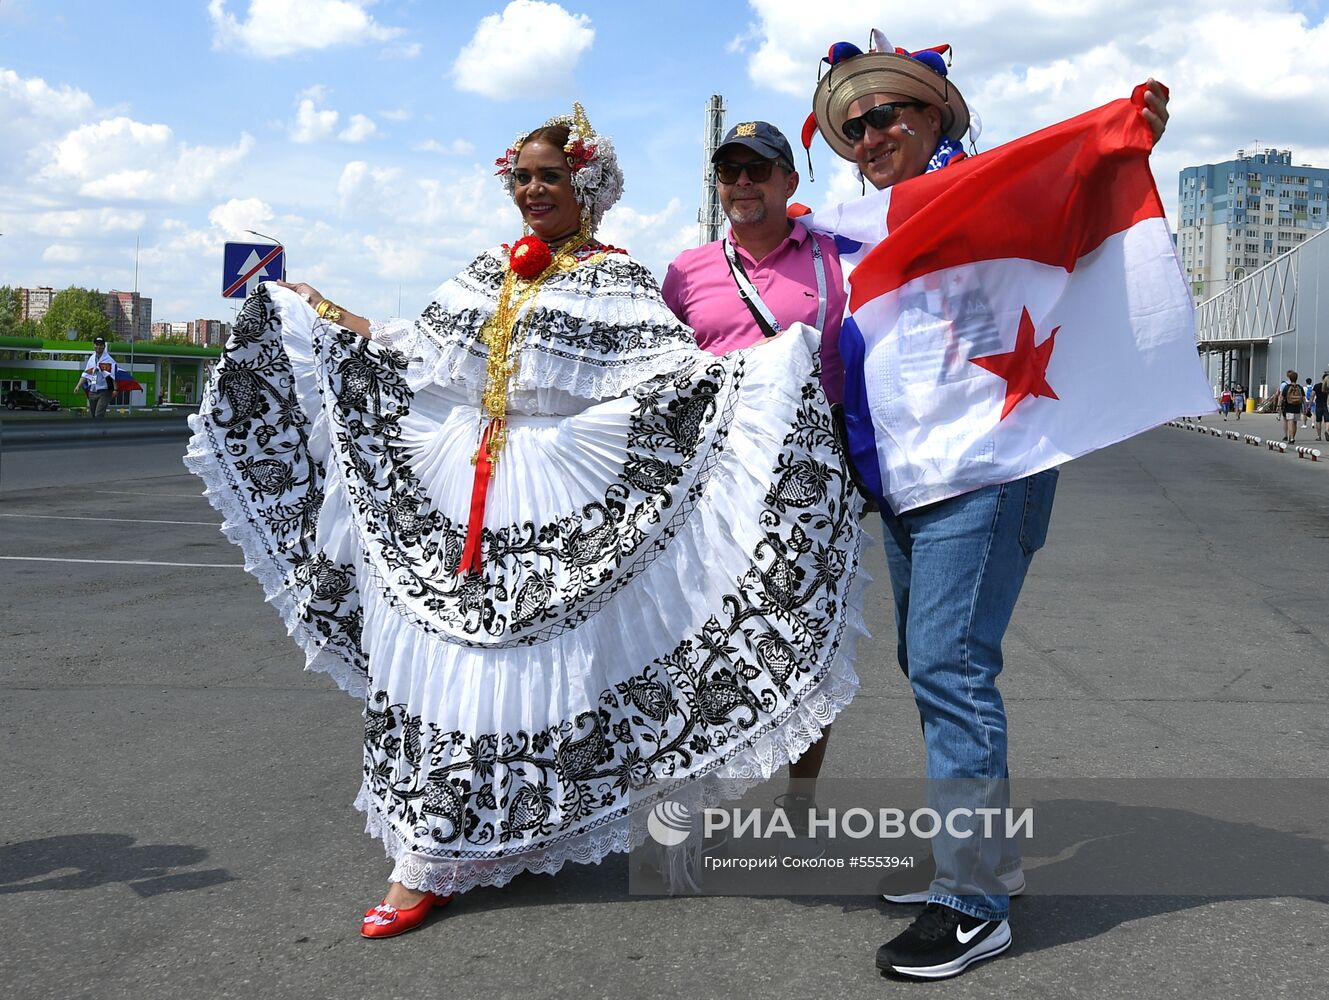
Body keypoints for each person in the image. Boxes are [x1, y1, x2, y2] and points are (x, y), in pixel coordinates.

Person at [185, 104, 867, 939]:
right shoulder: (486, 270)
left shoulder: (617, 280)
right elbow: (413, 351)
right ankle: (426, 853)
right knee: (447, 669)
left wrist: (770, 374)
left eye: (551, 176)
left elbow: (674, 382)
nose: (534, 190)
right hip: (461, 487)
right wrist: (323, 312)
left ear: (588, 186)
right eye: (524, 177)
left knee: (523, 674)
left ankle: (490, 834)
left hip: (558, 497)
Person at [800, 30, 1170, 980]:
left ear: (937, 115)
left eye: (889, 112)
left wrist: (1126, 138)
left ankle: (972, 905)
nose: (870, 130)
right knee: (934, 671)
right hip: (913, 474)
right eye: (852, 122)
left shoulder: (993, 186)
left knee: (950, 668)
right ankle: (984, 864)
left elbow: (1080, 178)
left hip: (988, 470)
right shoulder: (870, 223)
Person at [662, 120, 847, 817]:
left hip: (811, 482)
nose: (741, 183)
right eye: (729, 171)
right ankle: (698, 799)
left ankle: (801, 800)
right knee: (703, 643)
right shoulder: (686, 271)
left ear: (789, 181)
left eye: (757, 170)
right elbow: (658, 372)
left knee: (807, 641)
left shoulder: (835, 259)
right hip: (711, 487)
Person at [78, 336, 115, 418]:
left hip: (104, 391)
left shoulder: (109, 360)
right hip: (92, 390)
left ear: (104, 346)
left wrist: (115, 390)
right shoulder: (91, 359)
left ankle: (99, 430)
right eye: (96, 344)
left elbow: (113, 375)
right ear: (94, 346)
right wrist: (78, 386)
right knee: (93, 415)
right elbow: (86, 374)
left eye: (100, 345)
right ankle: (96, 429)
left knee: (99, 414)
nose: (98, 347)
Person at [1278, 370, 1302, 443]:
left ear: (1289, 378)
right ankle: (1293, 437)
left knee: (1290, 422)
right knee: (1295, 423)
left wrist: (1279, 405)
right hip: (1297, 406)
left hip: (1289, 406)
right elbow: (1303, 398)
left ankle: (1291, 438)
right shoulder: (1299, 387)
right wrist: (1305, 408)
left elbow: (1282, 397)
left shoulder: (1286, 387)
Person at [1312, 374, 1328, 441]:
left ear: (1322, 378)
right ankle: (1327, 431)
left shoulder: (1317, 386)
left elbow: (1312, 396)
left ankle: (1319, 436)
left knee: (1318, 421)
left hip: (1318, 405)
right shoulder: (1328, 386)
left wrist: (1309, 405)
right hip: (1326, 405)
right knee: (1327, 420)